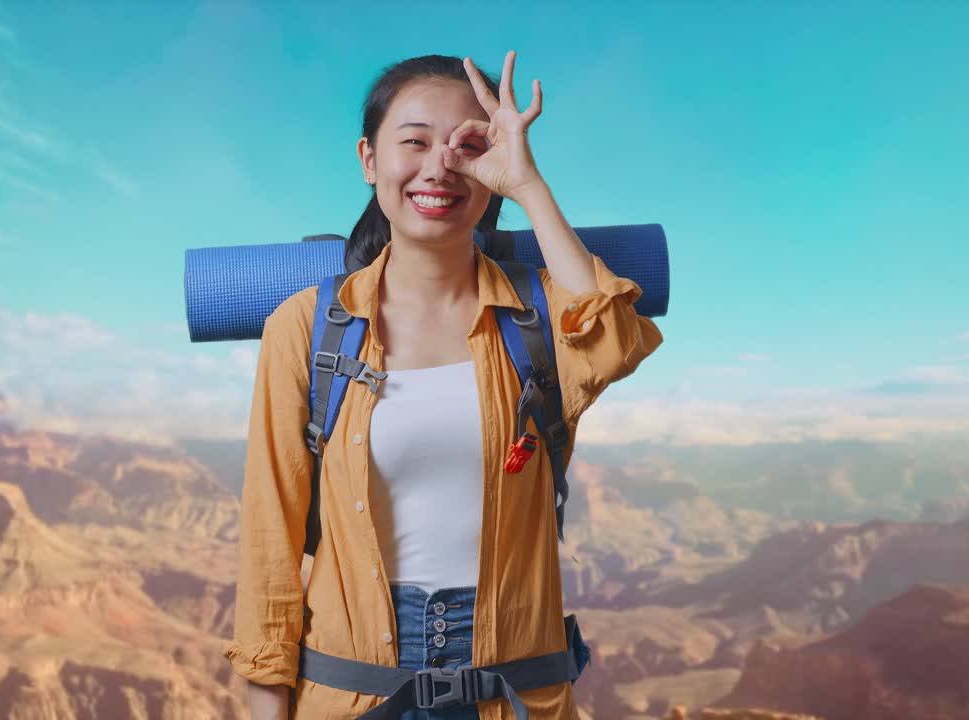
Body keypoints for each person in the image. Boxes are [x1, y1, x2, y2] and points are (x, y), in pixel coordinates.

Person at [223, 51, 664, 719]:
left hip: (515, 695)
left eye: (468, 144)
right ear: (369, 160)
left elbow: (611, 340)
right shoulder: (307, 329)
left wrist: (528, 185)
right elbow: (269, 550)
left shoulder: (536, 316)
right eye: (415, 142)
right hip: (353, 694)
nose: (439, 166)